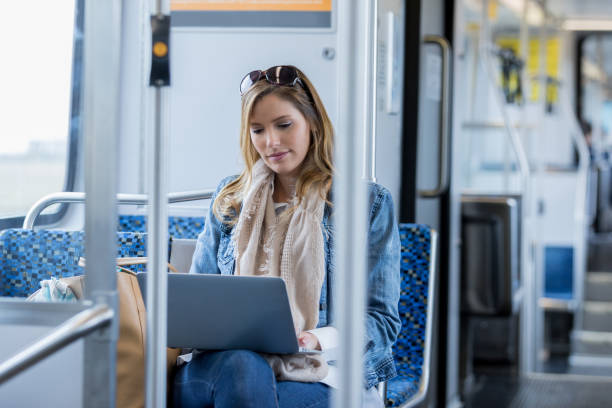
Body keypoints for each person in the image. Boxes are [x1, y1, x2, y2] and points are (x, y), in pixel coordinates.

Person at [173, 65, 401, 408]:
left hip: (319, 371)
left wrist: (313, 340)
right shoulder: (230, 198)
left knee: (248, 381)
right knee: (242, 366)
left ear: (312, 122)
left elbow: (380, 320)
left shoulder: (367, 203)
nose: (271, 142)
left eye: (283, 125)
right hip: (221, 365)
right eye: (258, 130)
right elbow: (197, 300)